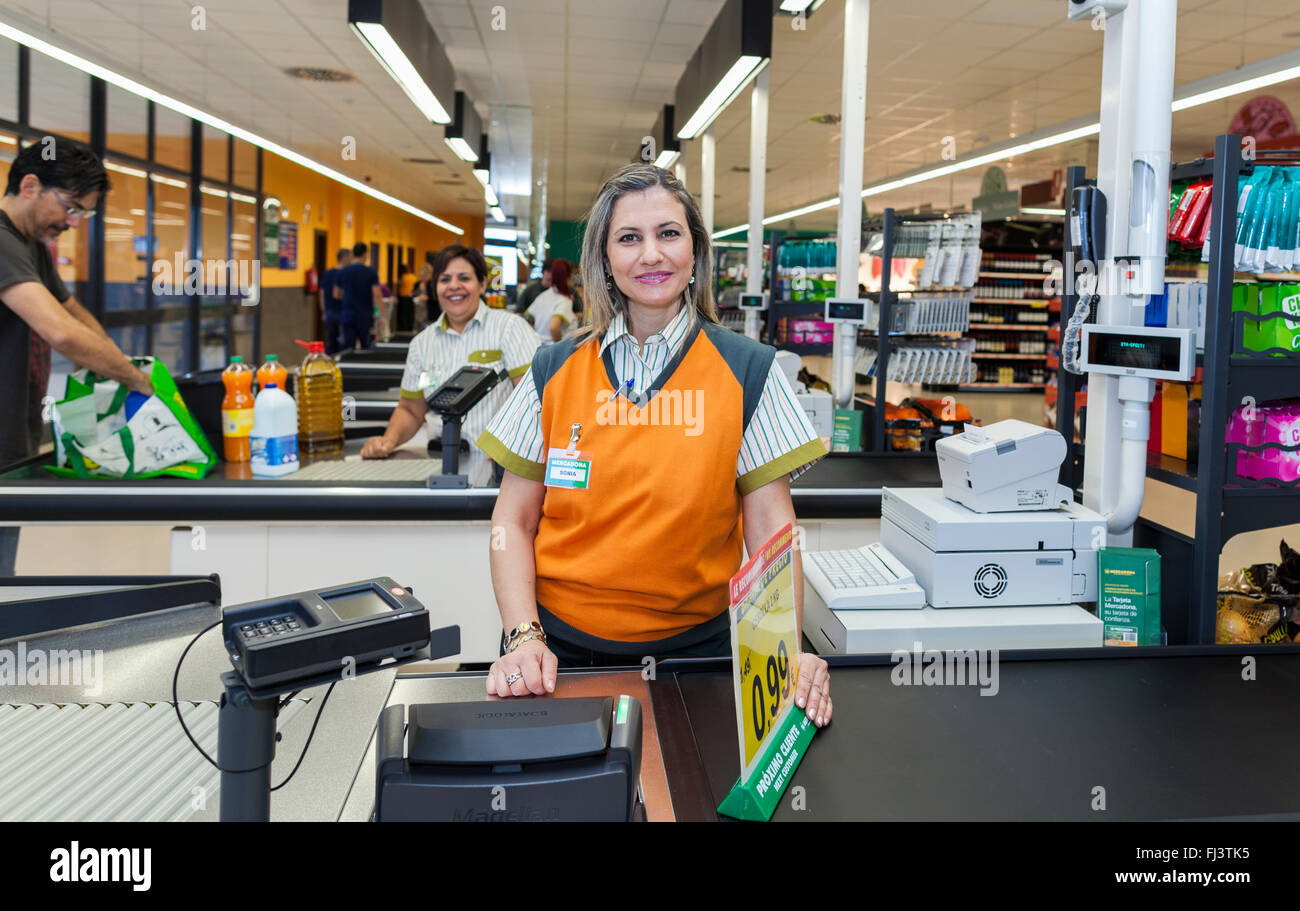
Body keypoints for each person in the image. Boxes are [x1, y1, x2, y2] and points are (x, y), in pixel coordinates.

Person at [477, 164, 833, 729]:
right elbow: (512, 522)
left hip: (700, 657)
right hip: (559, 655)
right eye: (629, 238)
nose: (651, 255)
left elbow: (772, 533)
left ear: (695, 250)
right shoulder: (553, 370)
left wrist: (782, 650)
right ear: (604, 259)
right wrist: (523, 637)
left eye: (668, 233)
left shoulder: (751, 372)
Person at [0, 138, 154, 574]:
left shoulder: (29, 244)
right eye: (70, 207)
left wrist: (119, 361)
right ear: (30, 185)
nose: (73, 222)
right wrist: (134, 380)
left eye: (82, 213)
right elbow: (60, 332)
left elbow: (72, 312)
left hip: (14, 433)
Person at [360, 245, 539, 487]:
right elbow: (412, 410)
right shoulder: (422, 344)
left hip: (499, 470)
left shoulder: (510, 329)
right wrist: (388, 441)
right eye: (445, 279)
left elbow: (535, 399)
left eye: (464, 278)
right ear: (435, 287)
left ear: (482, 284)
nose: (454, 286)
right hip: (438, 464)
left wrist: (511, 447)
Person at [334, 242, 381, 350]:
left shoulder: (342, 272)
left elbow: (336, 294)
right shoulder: (370, 272)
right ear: (365, 254)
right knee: (367, 347)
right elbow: (377, 295)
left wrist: (349, 298)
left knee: (348, 348)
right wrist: (382, 316)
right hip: (365, 315)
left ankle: (347, 366)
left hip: (348, 315)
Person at [524, 259, 576, 344]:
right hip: (553, 349)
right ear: (568, 277)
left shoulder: (542, 296)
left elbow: (527, 318)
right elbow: (554, 327)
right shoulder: (564, 300)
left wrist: (537, 336)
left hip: (539, 346)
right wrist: (559, 348)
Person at [320, 247, 350, 354]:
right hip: (342, 312)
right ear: (345, 257)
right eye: (350, 257)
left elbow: (322, 293)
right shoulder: (345, 274)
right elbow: (338, 294)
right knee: (343, 344)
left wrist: (324, 312)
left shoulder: (327, 273)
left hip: (330, 313)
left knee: (331, 343)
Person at [412, 262, 435, 327]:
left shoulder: (432, 285)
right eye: (420, 276)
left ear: (430, 275)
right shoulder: (417, 284)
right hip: (418, 310)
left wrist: (427, 298)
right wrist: (413, 295)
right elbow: (414, 293)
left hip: (429, 312)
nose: (421, 278)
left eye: (424, 276)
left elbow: (436, 298)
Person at [396, 263, 417, 333]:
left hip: (403, 297)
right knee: (410, 313)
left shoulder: (402, 277)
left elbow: (399, 285)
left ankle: (404, 328)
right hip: (411, 297)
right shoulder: (413, 276)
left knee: (404, 314)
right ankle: (410, 327)